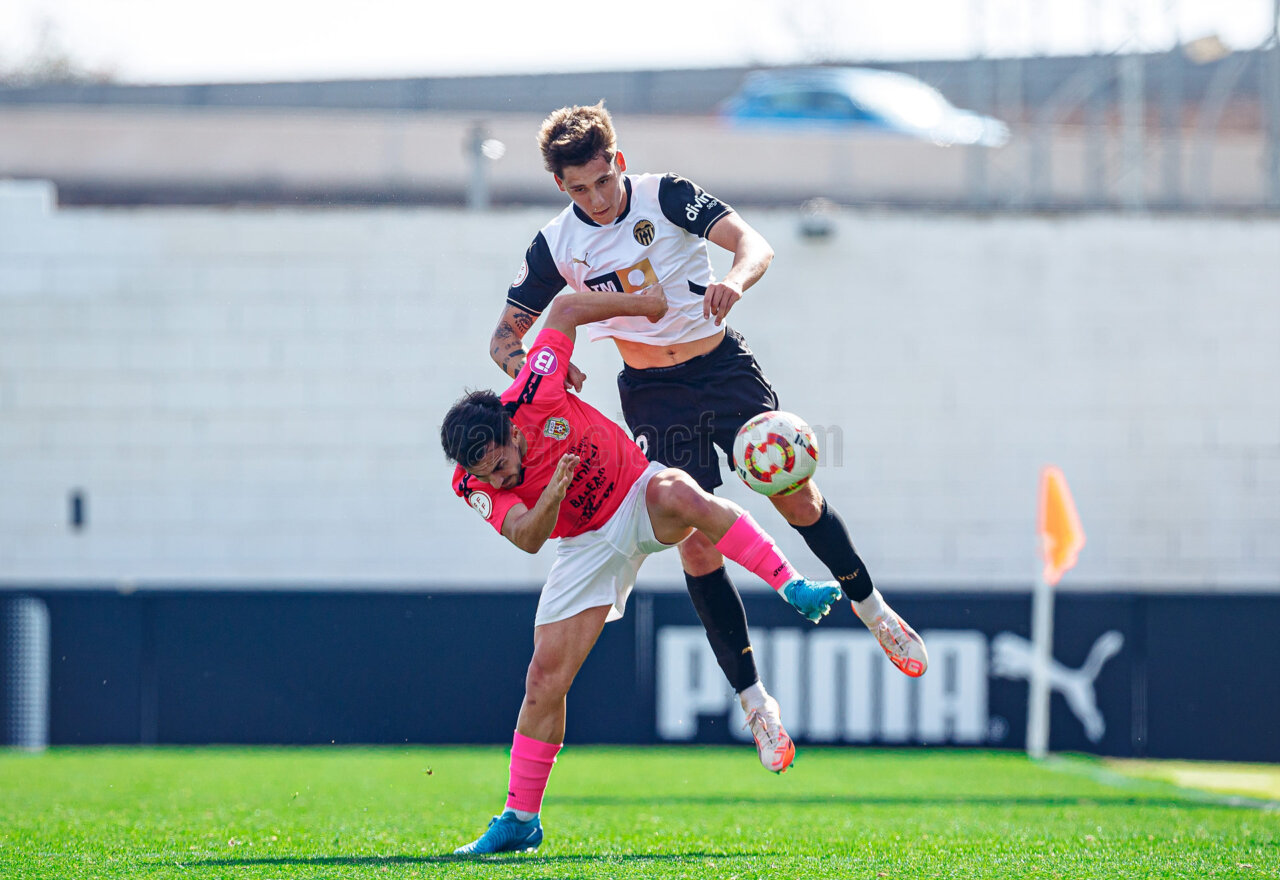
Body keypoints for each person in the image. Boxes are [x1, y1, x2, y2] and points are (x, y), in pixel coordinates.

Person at [487, 102, 928, 704]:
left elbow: (754, 245)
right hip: (651, 393)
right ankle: (755, 703)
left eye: (603, 181)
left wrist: (734, 280)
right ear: (559, 186)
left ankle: (872, 607)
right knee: (695, 536)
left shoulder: (665, 196)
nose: (595, 199)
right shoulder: (556, 245)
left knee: (792, 492)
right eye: (579, 189)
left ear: (619, 161)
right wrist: (540, 377)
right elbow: (505, 340)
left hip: (721, 370)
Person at [444, 285, 843, 855]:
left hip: (634, 494)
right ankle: (520, 818)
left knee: (682, 489)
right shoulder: (471, 483)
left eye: (505, 466)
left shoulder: (535, 385)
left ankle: (790, 581)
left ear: (510, 427)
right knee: (543, 682)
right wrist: (550, 494)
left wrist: (645, 303)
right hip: (583, 544)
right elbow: (527, 539)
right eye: (492, 477)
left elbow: (565, 309)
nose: (502, 481)